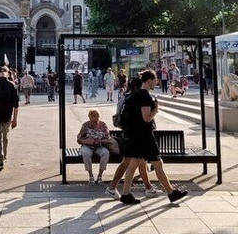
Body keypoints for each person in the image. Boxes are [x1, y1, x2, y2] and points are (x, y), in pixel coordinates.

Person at [115, 69, 187, 205]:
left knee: (134, 163)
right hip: (145, 136)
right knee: (157, 163)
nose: (156, 82)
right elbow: (147, 118)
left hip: (134, 135)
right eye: (155, 80)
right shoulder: (145, 96)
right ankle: (171, 193)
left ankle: (126, 194)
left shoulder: (135, 95)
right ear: (149, 81)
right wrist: (156, 109)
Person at [106, 76, 158, 199]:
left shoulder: (126, 97)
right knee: (132, 161)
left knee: (137, 161)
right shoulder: (134, 98)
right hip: (135, 134)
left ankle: (148, 187)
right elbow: (142, 117)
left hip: (129, 133)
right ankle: (117, 189)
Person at [77, 109, 113, 184]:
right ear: (89, 117)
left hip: (100, 146)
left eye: (96, 118)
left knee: (105, 153)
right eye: (92, 119)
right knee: (86, 153)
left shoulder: (103, 125)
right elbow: (79, 139)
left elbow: (108, 138)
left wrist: (99, 141)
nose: (94, 121)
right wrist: (85, 141)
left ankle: (100, 176)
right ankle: (91, 176)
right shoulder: (85, 125)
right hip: (87, 146)